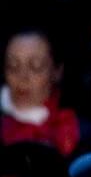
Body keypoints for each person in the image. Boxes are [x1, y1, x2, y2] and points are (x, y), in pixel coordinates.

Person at [2, 29, 82, 158]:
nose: (22, 77)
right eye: (13, 66)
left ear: (56, 71)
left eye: (35, 67)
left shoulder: (77, 132)